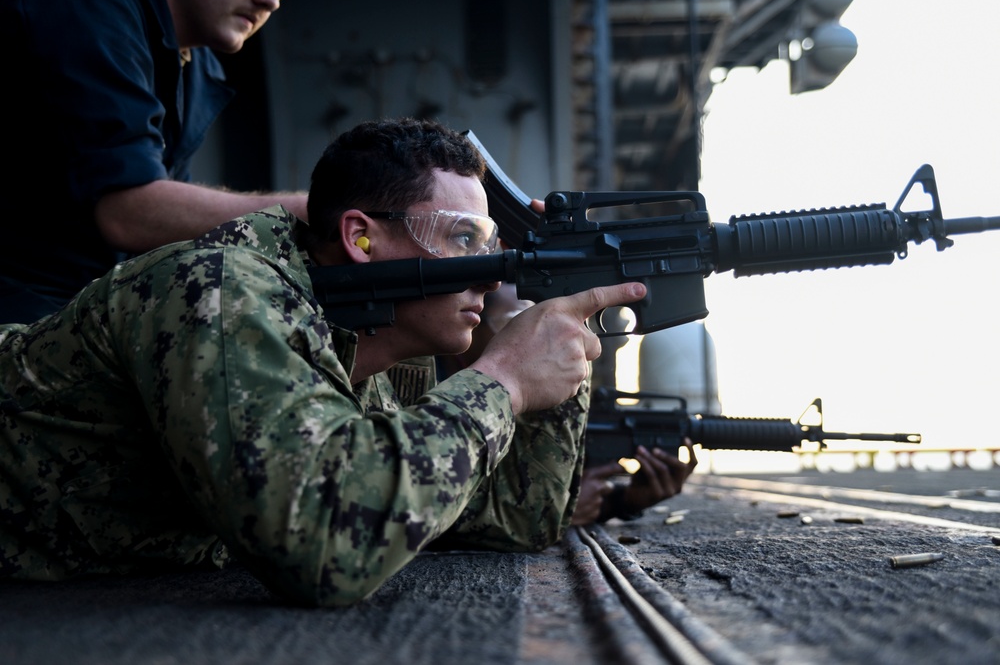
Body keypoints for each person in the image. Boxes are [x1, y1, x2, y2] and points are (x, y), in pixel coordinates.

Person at [0, 118, 647, 607]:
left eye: (492, 244)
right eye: (463, 239)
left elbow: (511, 520)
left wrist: (553, 333)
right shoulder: (220, 291)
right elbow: (324, 549)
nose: (488, 270)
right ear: (360, 238)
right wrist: (501, 381)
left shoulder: (379, 348)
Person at [0, 0, 307, 324]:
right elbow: (127, 212)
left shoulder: (194, 66)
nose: (270, 2)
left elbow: (161, 224)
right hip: (18, 312)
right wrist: (308, 214)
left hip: (77, 313)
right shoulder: (89, 8)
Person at [438, 285, 698, 526]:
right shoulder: (436, 405)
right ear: (473, 324)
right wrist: (556, 512)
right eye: (512, 323)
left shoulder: (541, 403)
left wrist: (623, 500)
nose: (539, 338)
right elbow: (431, 505)